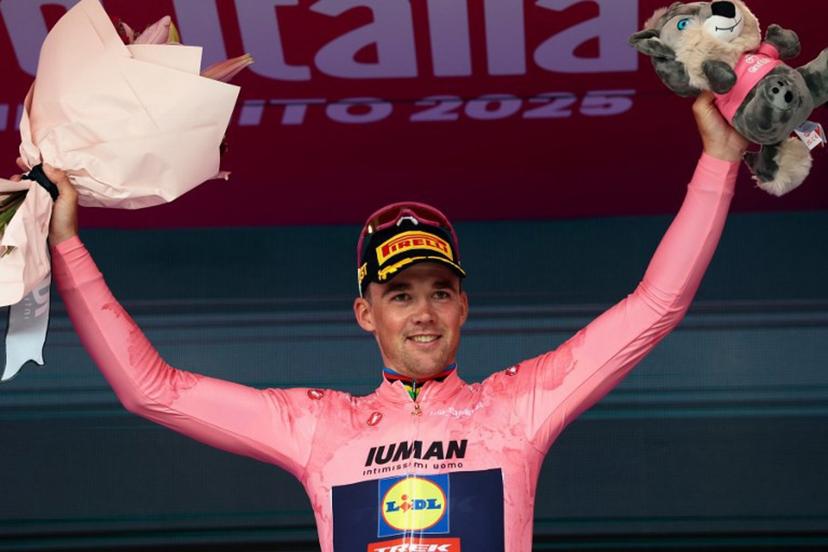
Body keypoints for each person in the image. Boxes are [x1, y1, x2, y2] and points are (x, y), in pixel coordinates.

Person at [29, 92, 748, 551]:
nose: (425, 312)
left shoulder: (517, 406)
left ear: (464, 306)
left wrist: (718, 161)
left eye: (440, 291)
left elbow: (656, 306)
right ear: (364, 313)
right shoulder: (318, 426)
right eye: (401, 295)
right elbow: (151, 389)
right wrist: (67, 243)